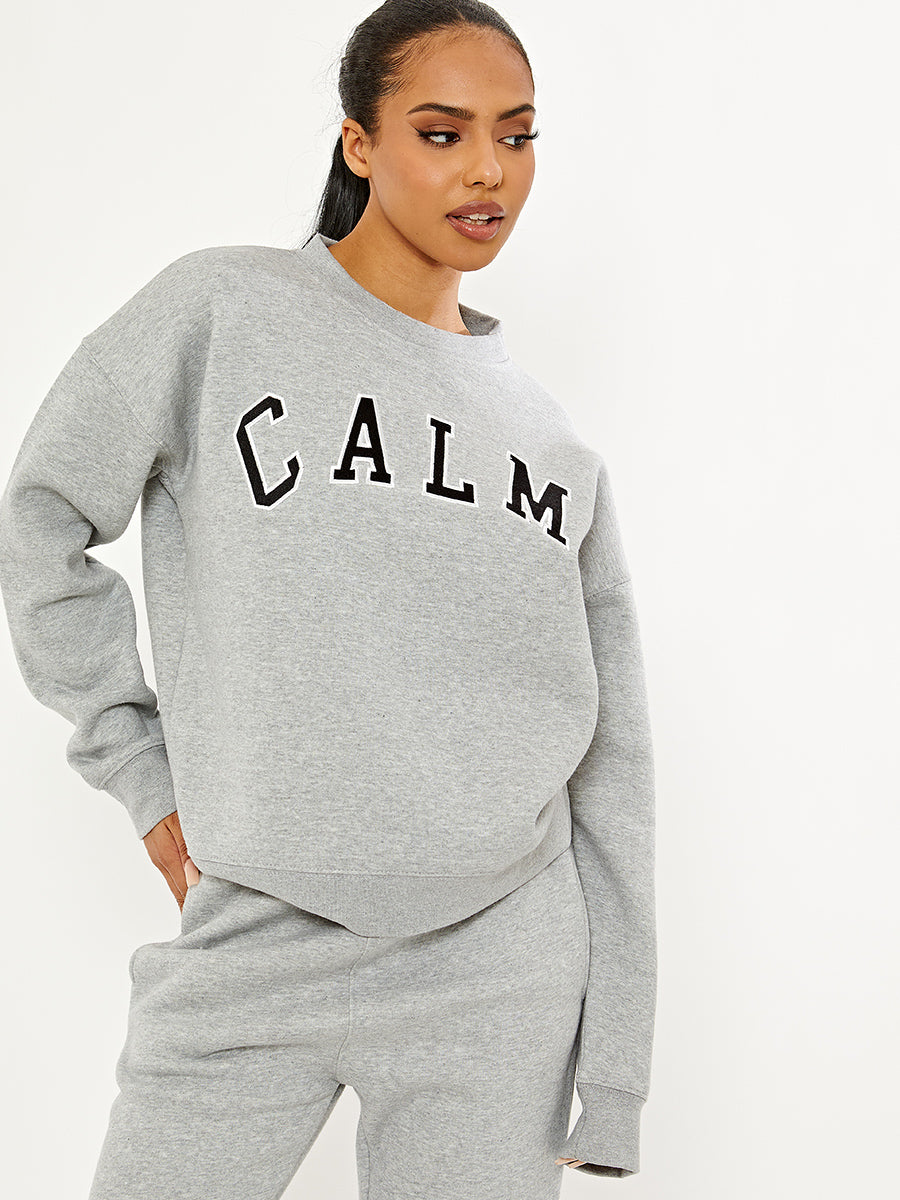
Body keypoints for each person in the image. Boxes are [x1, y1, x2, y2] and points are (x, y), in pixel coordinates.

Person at [0, 0, 657, 1194]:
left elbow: (610, 762)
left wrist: (614, 1070)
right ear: (360, 141)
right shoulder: (220, 313)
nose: (489, 171)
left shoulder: (554, 449)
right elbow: (41, 517)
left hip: (499, 968)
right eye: (443, 132)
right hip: (253, 935)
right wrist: (141, 771)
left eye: (516, 135)